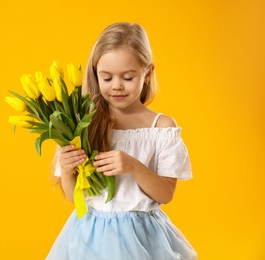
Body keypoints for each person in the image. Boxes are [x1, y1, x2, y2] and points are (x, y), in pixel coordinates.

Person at [46, 22, 197, 260]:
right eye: (106, 78)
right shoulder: (84, 122)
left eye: (127, 77)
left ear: (147, 73)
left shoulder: (161, 128)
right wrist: (66, 169)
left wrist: (133, 166)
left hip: (143, 237)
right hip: (89, 236)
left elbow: (166, 194)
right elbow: (77, 199)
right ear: (95, 73)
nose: (116, 86)